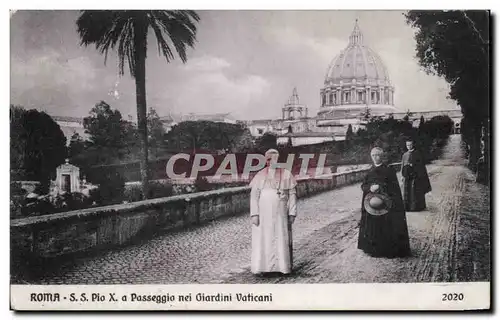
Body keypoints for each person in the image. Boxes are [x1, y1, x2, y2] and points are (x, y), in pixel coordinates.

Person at [249, 148, 297, 276]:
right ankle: (264, 268)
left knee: (281, 238)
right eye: (268, 159)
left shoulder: (286, 174)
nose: (271, 162)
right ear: (265, 160)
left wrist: (292, 212)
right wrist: (254, 214)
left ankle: (282, 267)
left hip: (281, 213)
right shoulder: (260, 175)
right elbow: (254, 196)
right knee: (264, 238)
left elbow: (292, 194)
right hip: (264, 213)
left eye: (273, 159)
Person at [358, 147, 411, 258]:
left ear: (382, 156)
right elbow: (363, 186)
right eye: (373, 155)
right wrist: (370, 188)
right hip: (372, 206)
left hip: (386, 205)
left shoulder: (389, 170)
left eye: (377, 155)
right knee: (372, 227)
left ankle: (385, 250)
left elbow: (394, 188)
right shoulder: (370, 171)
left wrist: (380, 187)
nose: (375, 157)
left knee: (386, 228)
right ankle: (373, 249)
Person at [401, 139, 432, 211]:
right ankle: (408, 207)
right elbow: (402, 165)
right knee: (407, 191)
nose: (409, 146)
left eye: (410, 145)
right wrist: (402, 176)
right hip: (407, 176)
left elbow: (421, 166)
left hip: (415, 176)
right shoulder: (404, 155)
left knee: (414, 192)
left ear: (413, 145)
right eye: (407, 145)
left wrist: (413, 166)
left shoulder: (417, 154)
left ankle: (416, 207)